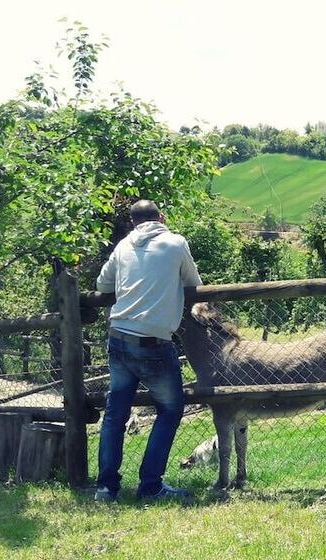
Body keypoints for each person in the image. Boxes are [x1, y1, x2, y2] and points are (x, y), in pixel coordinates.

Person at [94, 199, 202, 502]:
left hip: (118, 338)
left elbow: (103, 286)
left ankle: (106, 488)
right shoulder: (176, 242)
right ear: (162, 218)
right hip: (154, 342)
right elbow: (194, 283)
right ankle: (150, 485)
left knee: (115, 415)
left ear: (132, 223)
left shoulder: (124, 245)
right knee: (170, 410)